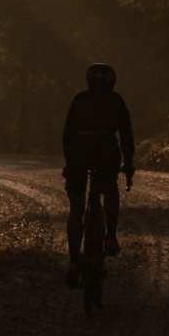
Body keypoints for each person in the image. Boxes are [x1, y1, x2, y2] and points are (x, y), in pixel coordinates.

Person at [61, 62, 134, 288]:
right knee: (110, 190)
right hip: (105, 154)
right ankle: (110, 236)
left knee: (76, 208)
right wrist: (128, 164)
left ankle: (74, 260)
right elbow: (126, 135)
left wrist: (70, 162)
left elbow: (66, 135)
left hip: (78, 156)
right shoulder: (116, 101)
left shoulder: (79, 100)